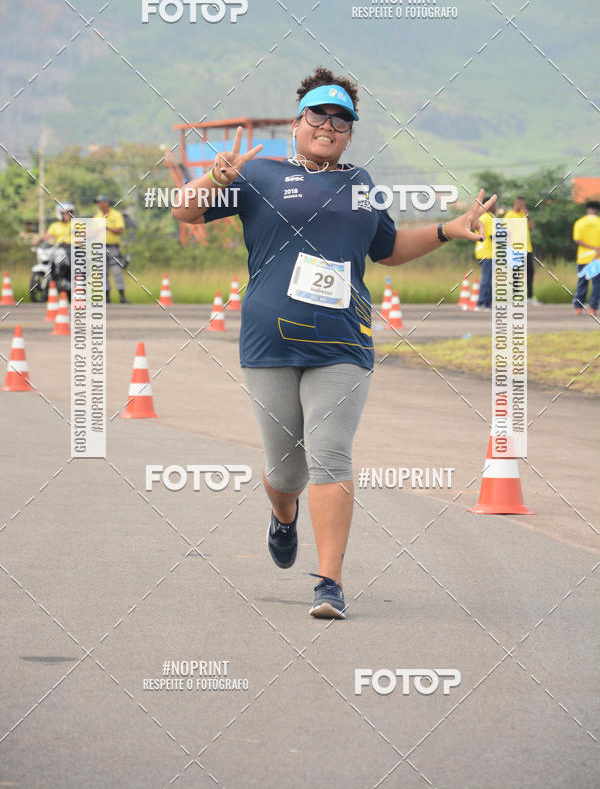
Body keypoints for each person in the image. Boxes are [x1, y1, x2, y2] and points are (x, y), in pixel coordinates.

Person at [173, 66, 496, 619]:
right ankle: (283, 515)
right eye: (318, 115)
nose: (328, 125)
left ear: (349, 134)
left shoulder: (361, 184)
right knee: (285, 473)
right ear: (297, 123)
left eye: (340, 120)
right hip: (270, 341)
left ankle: (330, 582)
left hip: (342, 343)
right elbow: (185, 211)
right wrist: (214, 178)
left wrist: (447, 229)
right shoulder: (260, 174)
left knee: (330, 454)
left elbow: (388, 248)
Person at [94, 194, 130, 303]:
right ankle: (106, 297)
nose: (99, 205)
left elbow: (120, 230)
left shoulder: (116, 215)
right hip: (100, 247)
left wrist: (107, 228)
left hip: (113, 247)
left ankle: (122, 296)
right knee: (102, 272)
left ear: (106, 203)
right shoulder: (96, 217)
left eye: (100, 202)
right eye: (98, 203)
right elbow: (92, 232)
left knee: (116, 271)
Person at [505, 195, 538, 303]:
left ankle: (530, 296)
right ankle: (516, 296)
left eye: (524, 204)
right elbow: (506, 233)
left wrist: (528, 216)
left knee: (530, 271)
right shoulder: (509, 215)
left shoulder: (524, 215)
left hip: (527, 248)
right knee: (516, 273)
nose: (523, 206)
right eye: (522, 204)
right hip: (515, 248)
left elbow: (531, 228)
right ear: (516, 203)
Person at [573, 199, 600, 315]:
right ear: (597, 210)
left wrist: (591, 247)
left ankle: (578, 308)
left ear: (587, 209)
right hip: (597, 259)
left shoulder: (579, 222)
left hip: (583, 258)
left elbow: (577, 240)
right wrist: (596, 249)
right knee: (597, 284)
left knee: (582, 283)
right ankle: (593, 308)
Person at [474, 196, 496, 311]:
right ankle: (483, 303)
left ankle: (485, 302)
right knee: (487, 278)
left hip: (480, 251)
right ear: (489, 205)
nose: (496, 207)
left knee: (487, 277)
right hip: (488, 253)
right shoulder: (489, 218)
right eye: (495, 204)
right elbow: (493, 236)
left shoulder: (480, 218)